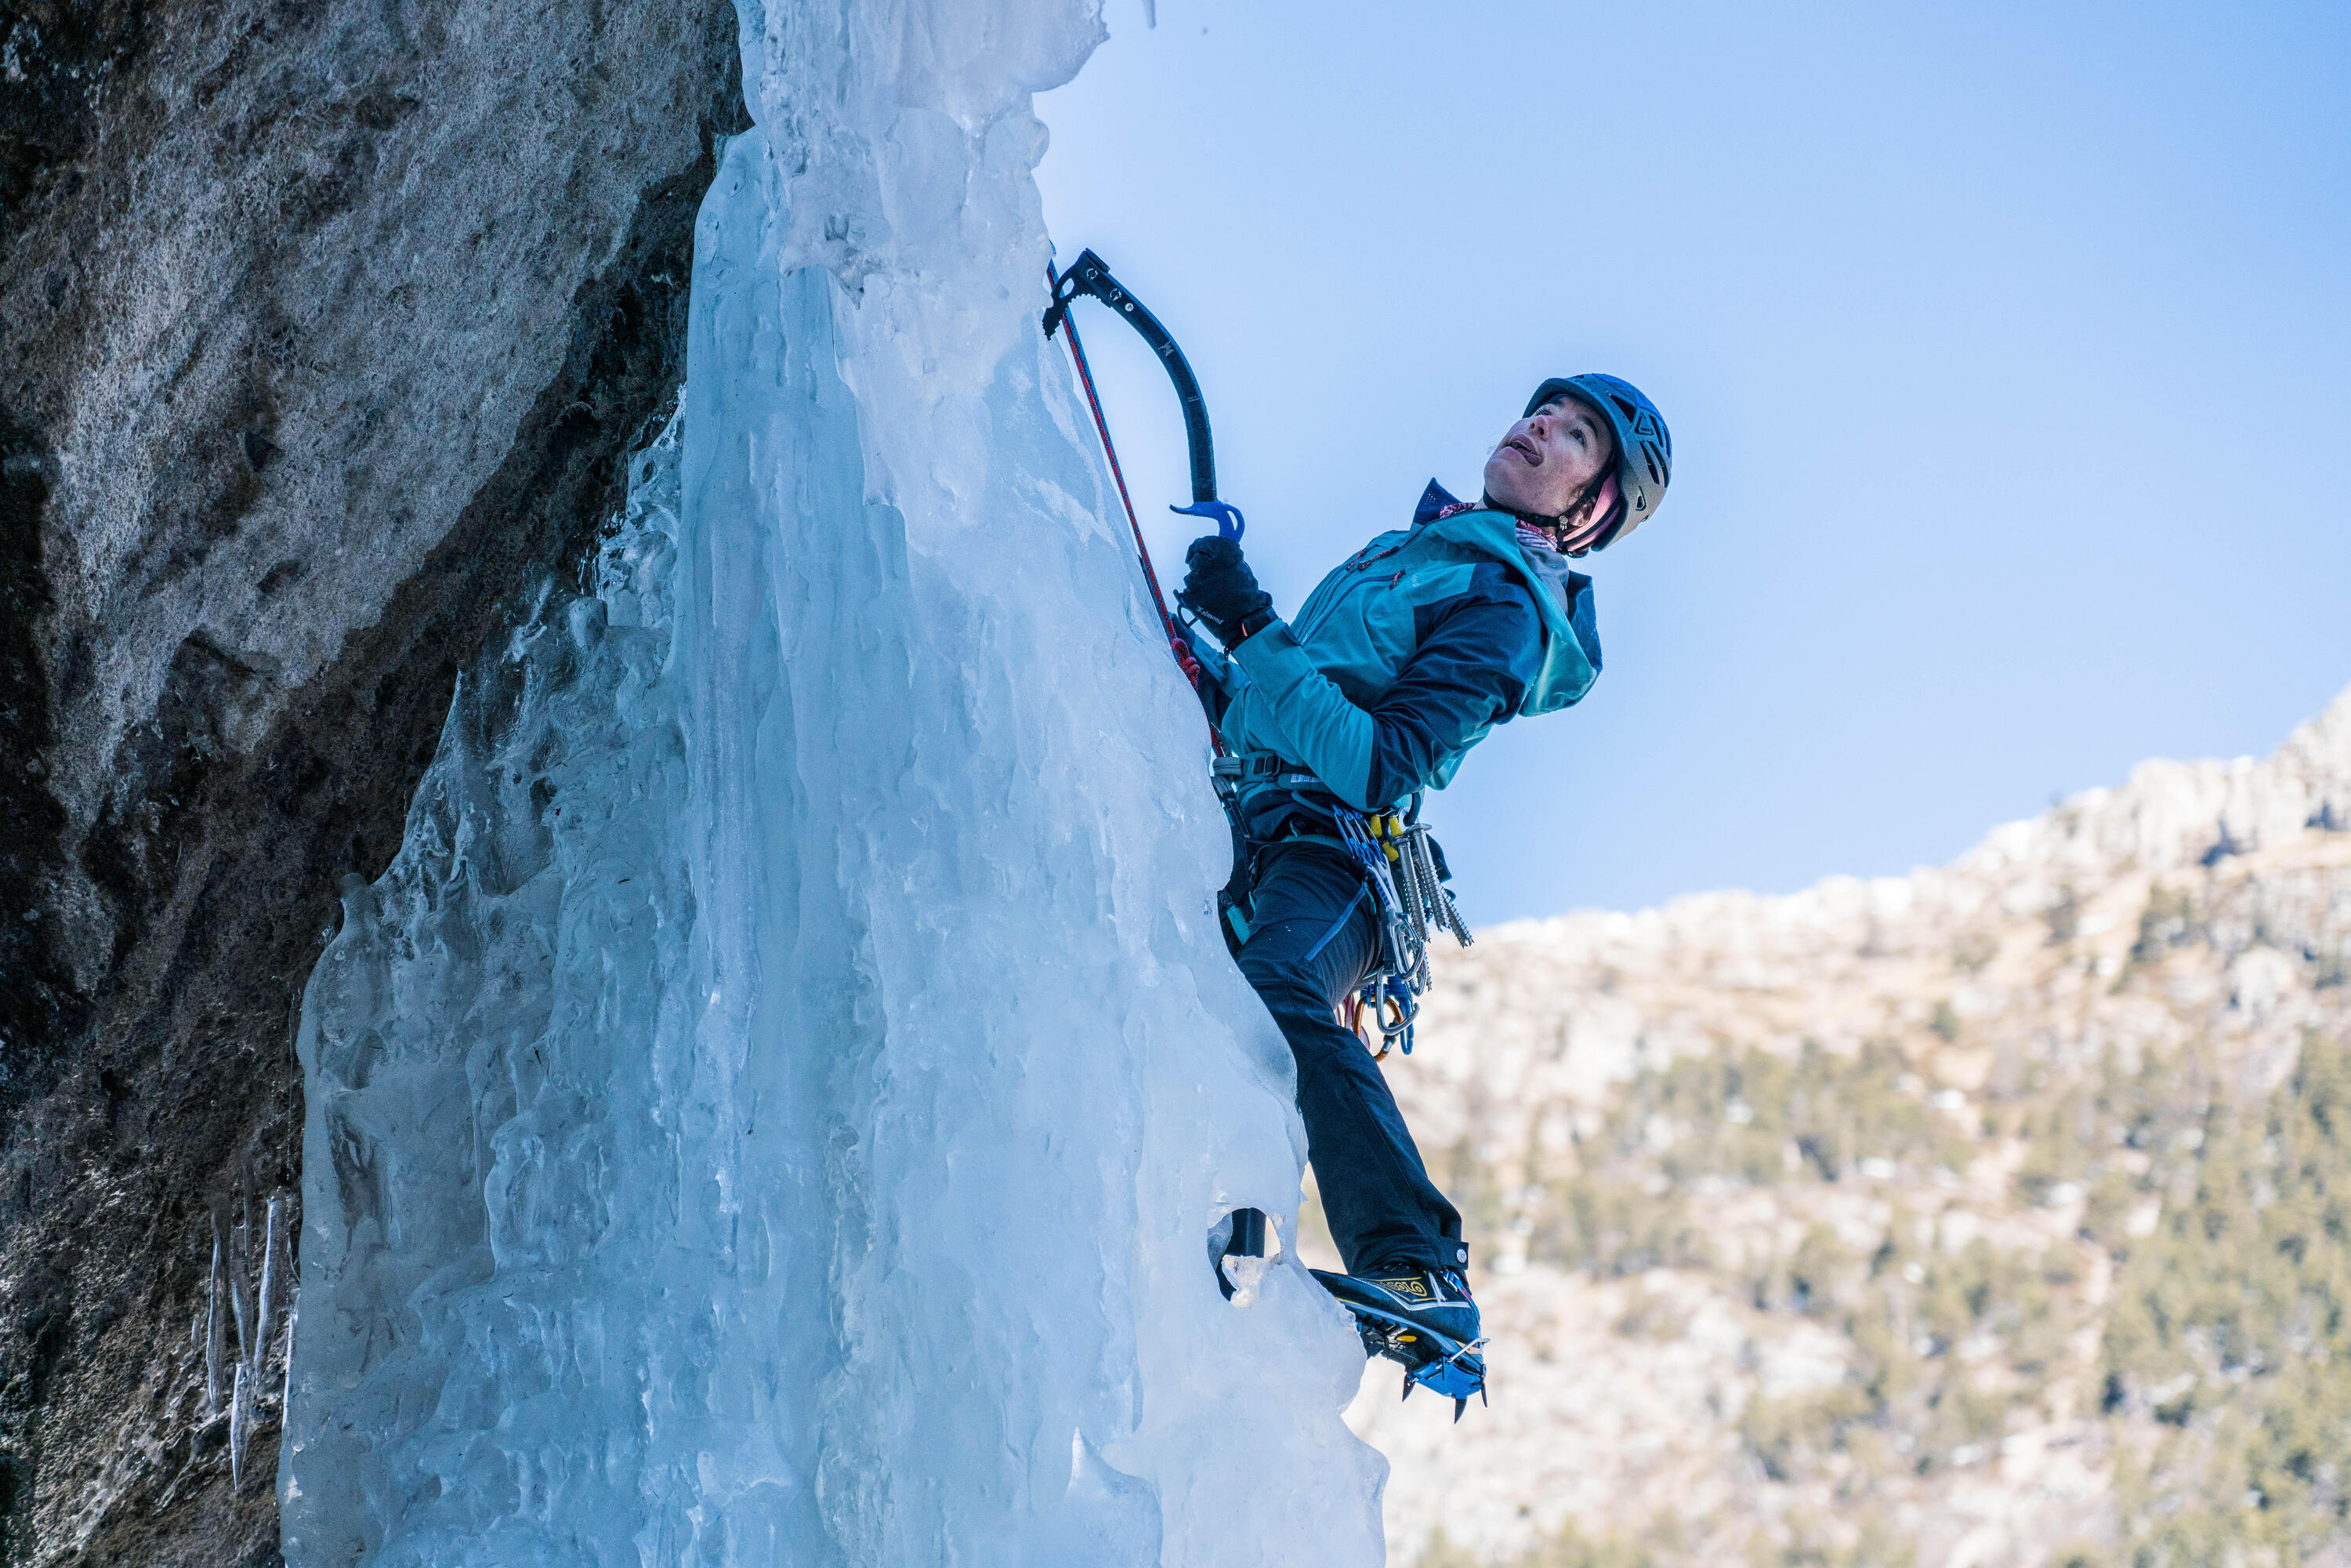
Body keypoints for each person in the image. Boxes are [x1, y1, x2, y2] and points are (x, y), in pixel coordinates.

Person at [1175, 375, 1672, 1395]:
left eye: (1576, 434)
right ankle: (1215, 1208)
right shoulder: (1427, 557)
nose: (1538, 425)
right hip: (1253, 816)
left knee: (1273, 993)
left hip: (1335, 855)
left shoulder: (1505, 609)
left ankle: (1417, 1267)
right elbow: (1292, 700)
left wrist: (1255, 631)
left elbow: (1375, 766)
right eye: (1544, 411)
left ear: (1593, 511)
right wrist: (1221, 651)